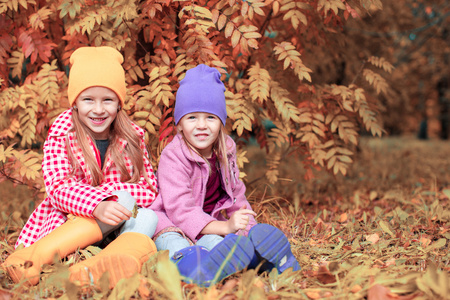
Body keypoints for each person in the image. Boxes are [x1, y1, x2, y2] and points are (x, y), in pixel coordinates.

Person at [2, 46, 159, 288]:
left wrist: (114, 198)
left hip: (118, 224)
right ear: (75, 103)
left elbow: (149, 189)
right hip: (71, 223)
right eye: (88, 100)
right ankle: (29, 259)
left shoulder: (133, 136)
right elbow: (58, 187)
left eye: (107, 100)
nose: (98, 109)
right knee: (125, 199)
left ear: (119, 103)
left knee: (147, 216)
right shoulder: (63, 132)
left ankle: (94, 269)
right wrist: (98, 203)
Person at [150, 64, 300, 287]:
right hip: (172, 224)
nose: (202, 126)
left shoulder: (225, 150)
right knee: (177, 245)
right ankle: (195, 271)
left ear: (221, 122)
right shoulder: (173, 156)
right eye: (192, 118)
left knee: (220, 243)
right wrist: (224, 227)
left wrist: (247, 231)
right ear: (179, 124)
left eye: (210, 117)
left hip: (208, 224)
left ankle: (261, 259)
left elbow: (236, 196)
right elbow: (180, 210)